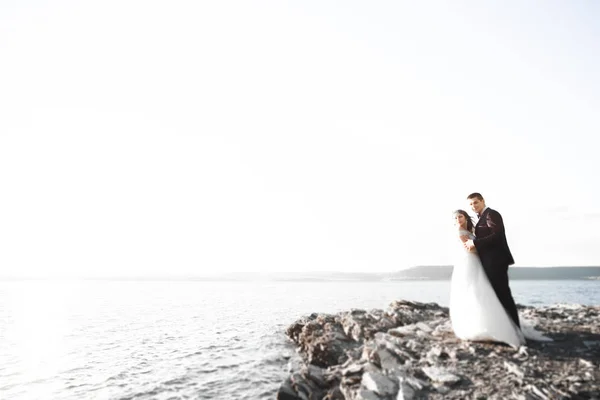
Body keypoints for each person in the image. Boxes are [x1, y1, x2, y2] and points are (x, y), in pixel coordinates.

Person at [450, 209, 525, 348]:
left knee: (483, 291)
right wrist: (484, 248)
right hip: (470, 262)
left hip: (476, 262)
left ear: (465, 217)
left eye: (460, 216)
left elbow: (474, 245)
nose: (458, 220)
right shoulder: (460, 231)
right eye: (455, 218)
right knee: (474, 291)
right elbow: (469, 249)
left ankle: (493, 323)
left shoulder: (470, 230)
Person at [462, 193, 520, 328]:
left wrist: (475, 243)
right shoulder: (481, 218)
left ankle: (515, 328)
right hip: (489, 262)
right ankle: (504, 326)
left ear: (483, 201)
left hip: (497, 262)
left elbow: (497, 236)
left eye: (476, 202)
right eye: (470, 204)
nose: (473, 206)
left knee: (503, 294)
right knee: (496, 294)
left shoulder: (491, 214)